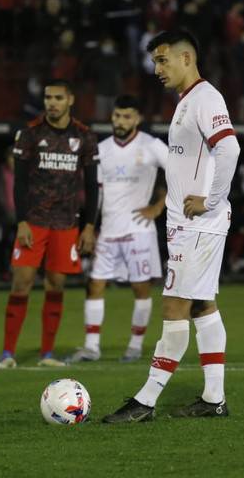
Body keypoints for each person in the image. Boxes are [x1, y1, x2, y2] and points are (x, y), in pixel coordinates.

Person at [103, 29, 240, 424]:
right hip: (192, 224)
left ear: (186, 58)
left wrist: (212, 200)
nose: (156, 69)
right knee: (201, 305)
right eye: (153, 62)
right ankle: (214, 398)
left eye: (162, 60)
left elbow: (229, 147)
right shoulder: (187, 101)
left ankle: (145, 402)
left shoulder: (205, 98)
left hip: (199, 224)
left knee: (174, 305)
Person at [0, 79, 100, 369]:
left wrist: (89, 226)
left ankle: (47, 354)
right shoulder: (29, 134)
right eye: (48, 97)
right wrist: (22, 222)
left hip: (66, 224)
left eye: (57, 98)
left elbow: (92, 186)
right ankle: (7, 353)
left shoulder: (85, 136)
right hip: (35, 222)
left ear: (70, 100)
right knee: (21, 283)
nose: (51, 102)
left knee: (56, 285)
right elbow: (20, 183)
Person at [66, 94, 168, 364]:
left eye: (126, 116)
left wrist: (158, 206)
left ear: (137, 119)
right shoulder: (101, 149)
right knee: (95, 285)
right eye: (116, 116)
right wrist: (89, 227)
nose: (120, 121)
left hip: (139, 231)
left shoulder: (152, 145)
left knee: (140, 289)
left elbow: (180, 174)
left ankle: (134, 346)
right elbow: (94, 193)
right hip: (108, 231)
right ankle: (91, 347)